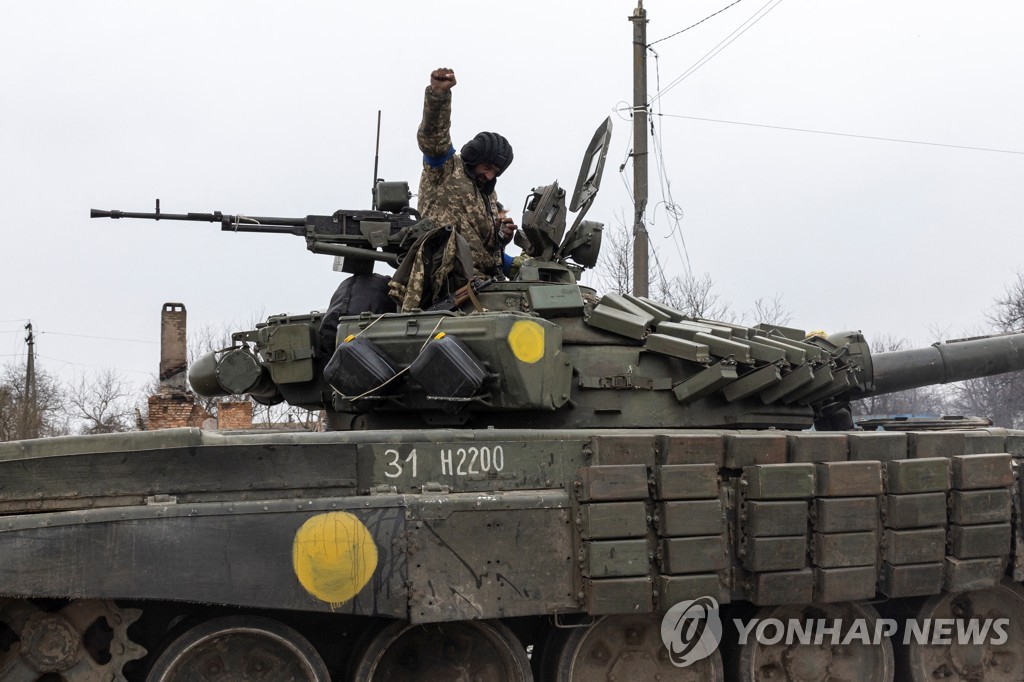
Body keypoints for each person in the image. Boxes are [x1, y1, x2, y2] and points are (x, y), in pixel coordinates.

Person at [416, 67, 518, 277]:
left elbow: (484, 251)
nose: (490, 176)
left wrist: (501, 239)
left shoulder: (488, 197)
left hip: (480, 280)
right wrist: (439, 95)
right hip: (445, 275)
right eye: (487, 167)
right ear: (474, 158)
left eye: (496, 172)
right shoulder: (446, 170)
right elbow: (434, 137)